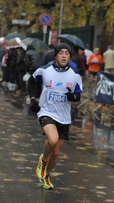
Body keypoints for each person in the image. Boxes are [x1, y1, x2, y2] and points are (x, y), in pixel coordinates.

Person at [27, 43, 83, 189]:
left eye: (67, 53)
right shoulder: (45, 70)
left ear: (70, 56)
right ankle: (43, 161)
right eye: (61, 53)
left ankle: (46, 175)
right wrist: (33, 99)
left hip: (64, 116)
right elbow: (31, 81)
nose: (64, 55)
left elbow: (78, 96)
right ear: (56, 55)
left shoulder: (75, 73)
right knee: (52, 140)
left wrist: (73, 96)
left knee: (56, 152)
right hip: (46, 110)